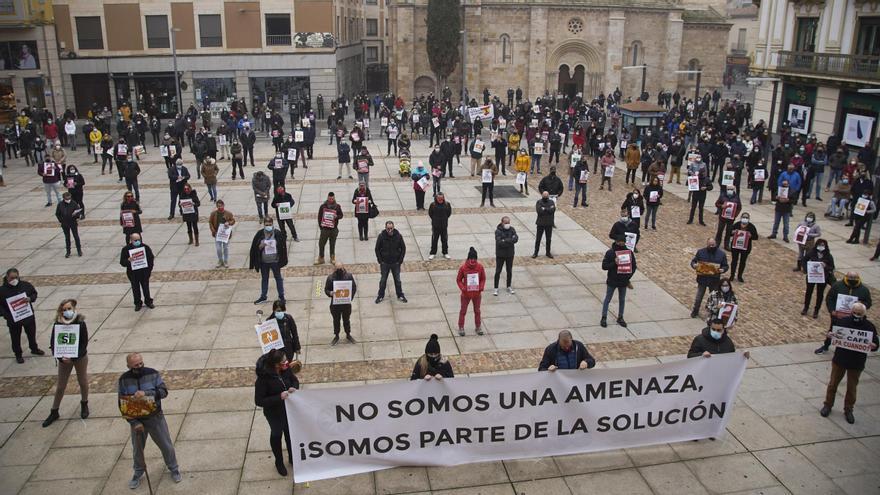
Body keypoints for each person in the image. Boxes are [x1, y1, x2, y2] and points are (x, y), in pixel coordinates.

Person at [118, 353, 181, 488]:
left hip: (155, 417)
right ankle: (138, 472)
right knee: (138, 449)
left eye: (141, 363)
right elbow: (122, 404)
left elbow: (163, 392)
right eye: (136, 365)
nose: (139, 366)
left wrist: (147, 394)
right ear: (128, 366)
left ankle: (174, 468)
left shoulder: (152, 374)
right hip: (138, 421)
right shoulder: (124, 380)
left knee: (166, 445)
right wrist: (134, 423)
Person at [819, 302, 878, 424]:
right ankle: (828, 405)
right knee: (833, 384)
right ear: (851, 312)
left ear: (864, 314)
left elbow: (875, 344)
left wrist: (873, 346)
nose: (856, 315)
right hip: (840, 359)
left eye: (859, 314)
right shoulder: (843, 322)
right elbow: (831, 333)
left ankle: (848, 409)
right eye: (855, 313)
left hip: (856, 362)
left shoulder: (869, 327)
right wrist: (829, 335)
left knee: (851, 388)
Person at [42, 299, 90, 427]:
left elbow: (84, 343)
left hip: (79, 358)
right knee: (61, 386)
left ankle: (84, 403)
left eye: (69, 309)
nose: (66, 311)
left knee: (82, 381)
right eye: (64, 309)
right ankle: (54, 411)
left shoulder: (80, 323)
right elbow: (54, 343)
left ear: (74, 309)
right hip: (64, 359)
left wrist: (73, 358)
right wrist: (59, 356)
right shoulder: (58, 324)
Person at [254, 348, 299, 476]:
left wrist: (293, 388)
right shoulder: (263, 379)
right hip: (274, 413)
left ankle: (292, 458)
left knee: (290, 434)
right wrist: (279, 397)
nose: (287, 363)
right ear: (276, 364)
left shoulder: (286, 370)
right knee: (276, 434)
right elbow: (259, 400)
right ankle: (279, 462)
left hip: (288, 409)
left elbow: (294, 380)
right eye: (284, 361)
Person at [816, 271, 872, 354]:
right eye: (850, 279)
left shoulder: (864, 290)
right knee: (833, 330)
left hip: (854, 317)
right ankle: (826, 345)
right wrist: (832, 311)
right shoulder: (837, 286)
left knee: (852, 334)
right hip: (838, 315)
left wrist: (861, 305)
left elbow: (868, 302)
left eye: (854, 279)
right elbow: (830, 298)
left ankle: (850, 349)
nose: (852, 281)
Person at [0, 268, 44, 363]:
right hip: (13, 319)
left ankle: (34, 348)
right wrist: (6, 315)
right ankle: (18, 354)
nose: (14, 280)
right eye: (12, 278)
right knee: (15, 338)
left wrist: (30, 298)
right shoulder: (2, 290)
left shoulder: (25, 285)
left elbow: (34, 293)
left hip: (28, 316)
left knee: (31, 334)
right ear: (7, 277)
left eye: (16, 277)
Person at [250, 217, 288, 305]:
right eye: (266, 225)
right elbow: (255, 248)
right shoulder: (260, 234)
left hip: (275, 261)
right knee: (264, 279)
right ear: (264, 225)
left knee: (278, 278)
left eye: (269, 225)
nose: (268, 226)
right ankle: (263, 296)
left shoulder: (277, 233)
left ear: (272, 224)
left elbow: (282, 247)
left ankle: (281, 296)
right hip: (264, 262)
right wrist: (260, 246)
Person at [601, 234, 636, 328]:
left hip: (623, 281)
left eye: (623, 241)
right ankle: (604, 317)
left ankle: (620, 317)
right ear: (616, 241)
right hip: (612, 280)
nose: (621, 243)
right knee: (607, 299)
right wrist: (614, 263)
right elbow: (604, 266)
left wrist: (628, 277)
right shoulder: (610, 252)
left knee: (622, 300)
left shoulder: (629, 252)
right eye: (620, 241)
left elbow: (634, 266)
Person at [690, 238, 729, 319]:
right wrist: (694, 265)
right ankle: (695, 310)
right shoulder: (701, 252)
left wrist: (723, 269)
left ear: (716, 244)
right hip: (702, 279)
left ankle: (713, 312)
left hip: (714, 280)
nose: (711, 246)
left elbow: (725, 265)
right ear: (707, 244)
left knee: (714, 298)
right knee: (698, 297)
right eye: (710, 245)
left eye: (713, 245)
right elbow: (693, 261)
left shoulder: (721, 254)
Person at [324, 262, 358, 345]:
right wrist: (330, 293)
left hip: (346, 304)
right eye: (337, 269)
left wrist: (350, 297)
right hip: (335, 305)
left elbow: (354, 287)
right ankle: (336, 335)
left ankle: (348, 334)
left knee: (346, 320)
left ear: (343, 268)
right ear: (334, 269)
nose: (339, 270)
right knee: (336, 320)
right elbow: (326, 289)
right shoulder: (330, 278)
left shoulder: (349, 276)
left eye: (340, 268)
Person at [375, 221, 408, 304]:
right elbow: (377, 249)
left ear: (393, 227)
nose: (389, 230)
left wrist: (400, 260)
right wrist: (380, 260)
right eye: (388, 228)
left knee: (397, 280)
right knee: (383, 280)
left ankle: (400, 294)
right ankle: (380, 295)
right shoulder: (381, 236)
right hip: (385, 263)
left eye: (391, 228)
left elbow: (403, 248)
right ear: (385, 228)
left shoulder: (398, 236)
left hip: (395, 263)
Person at [120, 234, 155, 311]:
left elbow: (151, 259)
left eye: (139, 240)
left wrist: (149, 271)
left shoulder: (145, 247)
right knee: (135, 289)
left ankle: (148, 301)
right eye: (135, 240)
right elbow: (122, 262)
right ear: (131, 240)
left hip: (144, 272)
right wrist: (128, 260)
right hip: (133, 273)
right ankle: (138, 303)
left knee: (146, 288)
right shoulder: (126, 249)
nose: (138, 242)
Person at [456, 247, 486, 336]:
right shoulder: (463, 268)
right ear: (468, 258)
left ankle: (478, 326)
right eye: (471, 258)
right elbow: (458, 280)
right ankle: (461, 327)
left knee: (477, 311)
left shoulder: (480, 267)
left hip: (477, 293)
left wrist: (481, 287)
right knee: (463, 311)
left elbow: (483, 278)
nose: (473, 260)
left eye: (474, 258)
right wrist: (462, 288)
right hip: (466, 294)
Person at [802, 239, 834, 319]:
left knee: (820, 294)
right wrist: (806, 269)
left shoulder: (828, 256)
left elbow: (832, 267)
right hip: (812, 276)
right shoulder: (811, 253)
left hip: (822, 278)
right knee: (809, 292)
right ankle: (806, 307)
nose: (821, 247)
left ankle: (816, 310)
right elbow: (804, 260)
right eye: (820, 245)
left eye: (823, 245)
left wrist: (825, 266)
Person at [727, 213, 758, 283]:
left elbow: (756, 237)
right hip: (736, 246)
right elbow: (729, 233)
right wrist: (733, 232)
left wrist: (751, 236)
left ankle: (739, 276)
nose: (745, 218)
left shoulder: (751, 226)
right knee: (734, 260)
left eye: (746, 217)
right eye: (744, 217)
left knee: (743, 262)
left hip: (745, 247)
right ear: (741, 218)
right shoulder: (737, 224)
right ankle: (732, 275)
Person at [316, 192, 343, 264]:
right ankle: (321, 258)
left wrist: (336, 216)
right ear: (327, 198)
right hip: (325, 229)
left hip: (333, 229)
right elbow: (319, 217)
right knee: (321, 243)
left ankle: (332, 257)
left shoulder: (337, 206)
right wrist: (321, 227)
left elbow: (341, 215)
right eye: (330, 198)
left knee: (332, 244)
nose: (331, 199)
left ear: (334, 198)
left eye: (332, 198)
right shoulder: (323, 207)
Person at [494, 216, 518, 295]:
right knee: (498, 271)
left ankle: (509, 286)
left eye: (508, 223)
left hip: (510, 254)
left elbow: (516, 239)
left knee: (509, 271)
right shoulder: (498, 231)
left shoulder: (512, 229)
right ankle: (496, 288)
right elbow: (500, 242)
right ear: (502, 222)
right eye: (506, 223)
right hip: (500, 254)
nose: (507, 224)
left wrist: (505, 240)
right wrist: (510, 240)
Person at [209, 200, 236, 269]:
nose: (219, 207)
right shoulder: (213, 214)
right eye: (218, 206)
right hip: (217, 234)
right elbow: (210, 223)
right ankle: (220, 260)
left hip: (225, 234)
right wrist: (213, 231)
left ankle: (225, 261)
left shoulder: (228, 213)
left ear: (223, 205)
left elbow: (233, 221)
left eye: (220, 206)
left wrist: (229, 223)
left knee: (225, 247)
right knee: (218, 248)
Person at [56, 192, 83, 258]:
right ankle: (68, 251)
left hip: (73, 222)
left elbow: (78, 211)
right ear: (64, 198)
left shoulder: (74, 203)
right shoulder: (60, 204)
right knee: (67, 238)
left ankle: (79, 250)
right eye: (66, 198)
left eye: (69, 198)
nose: (68, 200)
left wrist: (77, 215)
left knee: (76, 236)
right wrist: (61, 220)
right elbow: (57, 213)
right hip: (65, 224)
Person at [428, 192, 452, 260]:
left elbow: (449, 213)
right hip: (435, 226)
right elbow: (430, 213)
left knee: (444, 239)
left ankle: (445, 252)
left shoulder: (447, 204)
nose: (440, 199)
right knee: (434, 240)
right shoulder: (433, 205)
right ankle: (433, 253)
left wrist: (444, 219)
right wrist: (435, 220)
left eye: (441, 198)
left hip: (444, 226)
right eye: (439, 198)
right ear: (436, 198)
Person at [533, 191, 556, 258]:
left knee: (548, 239)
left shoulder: (551, 202)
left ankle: (548, 252)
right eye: (544, 195)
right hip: (540, 223)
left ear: (548, 196)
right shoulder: (539, 202)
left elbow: (553, 210)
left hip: (549, 223)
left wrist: (544, 209)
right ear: (542, 195)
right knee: (538, 239)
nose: (545, 196)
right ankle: (535, 252)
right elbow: (539, 211)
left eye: (546, 195)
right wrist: (548, 209)